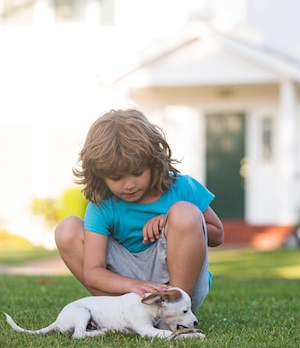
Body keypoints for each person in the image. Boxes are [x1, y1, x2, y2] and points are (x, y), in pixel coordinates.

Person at [55, 108, 224, 312]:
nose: (129, 185)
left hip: (180, 285)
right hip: (129, 290)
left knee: (184, 213)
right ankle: (125, 313)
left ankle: (175, 312)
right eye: (116, 178)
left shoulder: (182, 187)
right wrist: (131, 285)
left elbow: (217, 235)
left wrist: (169, 220)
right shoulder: (102, 205)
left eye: (137, 173)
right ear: (100, 175)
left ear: (154, 162)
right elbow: (93, 271)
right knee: (67, 230)